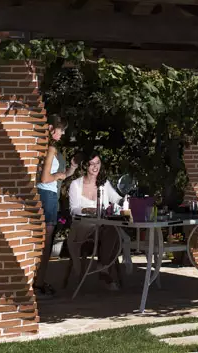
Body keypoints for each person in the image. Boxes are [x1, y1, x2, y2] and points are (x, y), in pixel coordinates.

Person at [67, 156, 127, 290]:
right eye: (91, 164)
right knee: (111, 230)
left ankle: (102, 267)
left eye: (98, 163)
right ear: (85, 166)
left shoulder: (104, 183)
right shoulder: (76, 184)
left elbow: (116, 198)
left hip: (103, 226)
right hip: (84, 226)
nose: (95, 167)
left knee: (113, 228)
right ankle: (104, 270)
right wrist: (88, 210)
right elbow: (73, 209)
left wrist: (126, 201)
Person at [34, 117, 76, 297]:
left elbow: (56, 176)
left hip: (48, 196)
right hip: (47, 197)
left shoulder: (45, 148)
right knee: (45, 243)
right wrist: (59, 175)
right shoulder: (50, 148)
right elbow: (44, 179)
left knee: (44, 243)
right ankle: (38, 282)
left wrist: (69, 171)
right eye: (61, 130)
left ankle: (39, 281)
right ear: (51, 128)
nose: (63, 134)